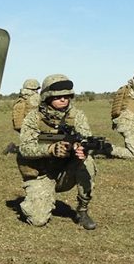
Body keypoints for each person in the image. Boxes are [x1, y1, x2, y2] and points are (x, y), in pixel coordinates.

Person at [16, 74, 98, 230]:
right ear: (47, 97)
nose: (63, 99)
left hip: (64, 172)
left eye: (67, 96)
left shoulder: (77, 116)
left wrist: (82, 150)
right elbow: (25, 148)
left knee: (87, 162)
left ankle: (82, 211)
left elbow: (86, 138)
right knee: (38, 220)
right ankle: (38, 197)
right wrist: (51, 149)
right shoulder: (33, 118)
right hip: (41, 174)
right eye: (58, 96)